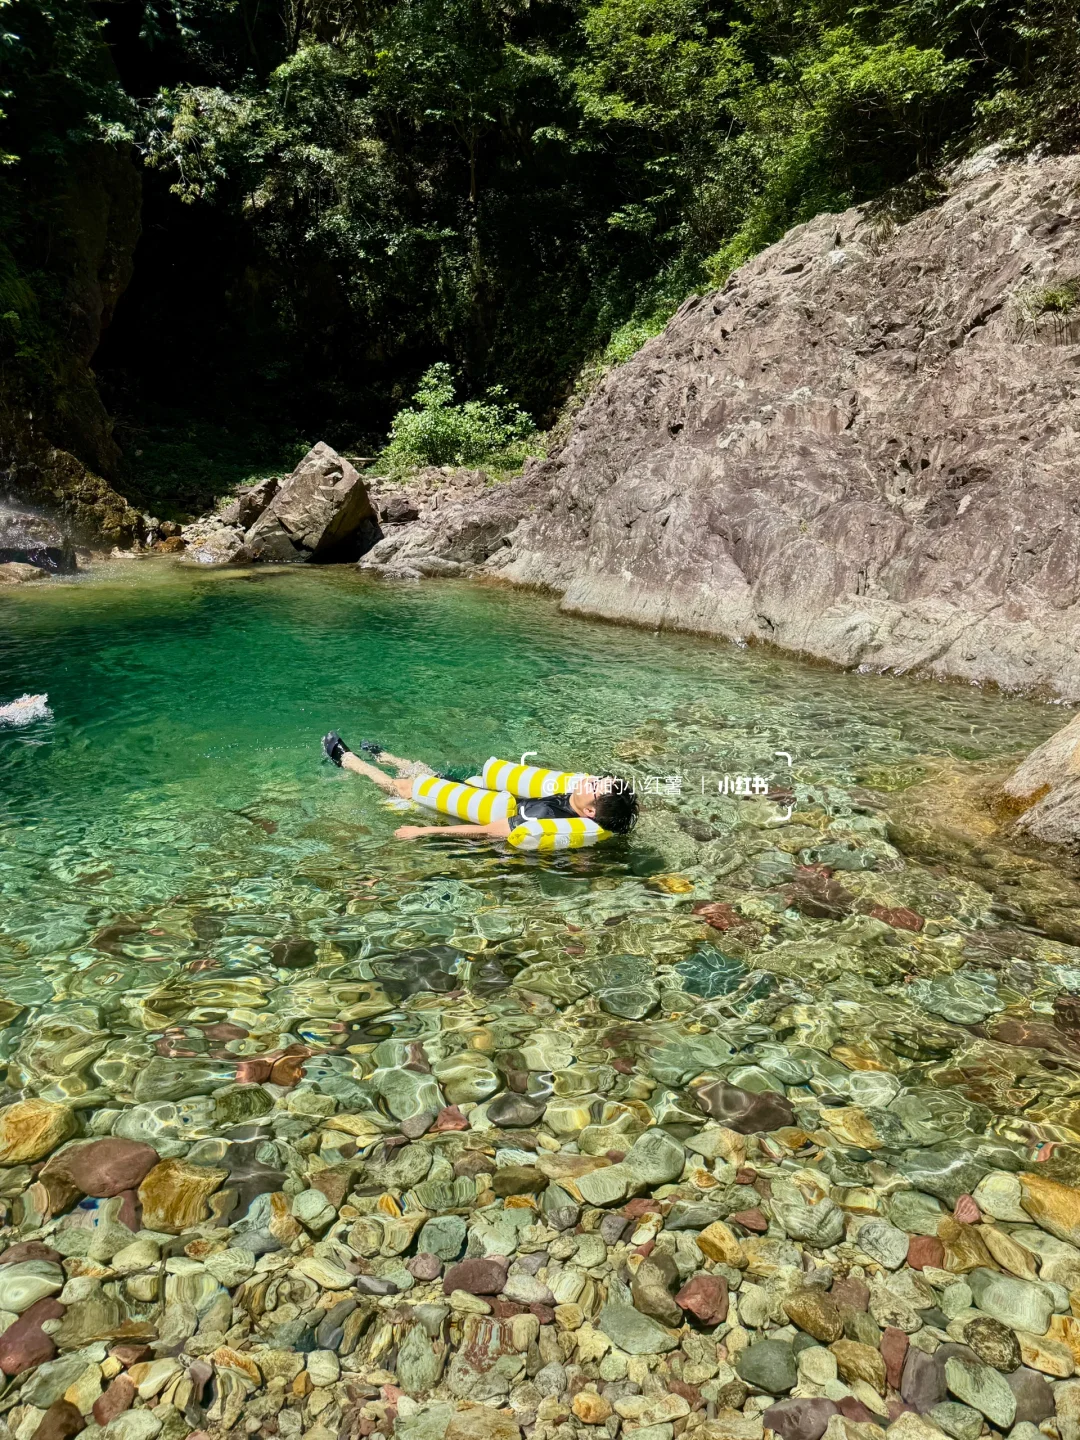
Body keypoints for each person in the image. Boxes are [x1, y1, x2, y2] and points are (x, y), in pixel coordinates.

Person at [321, 733, 638, 842]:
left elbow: (489, 830)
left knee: (401, 787)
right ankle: (384, 755)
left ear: (592, 810)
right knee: (425, 773)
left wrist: (421, 831)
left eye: (596, 785)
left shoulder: (544, 816)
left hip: (478, 810)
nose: (588, 780)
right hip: (484, 796)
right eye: (598, 777)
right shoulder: (582, 807)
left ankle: (347, 760)